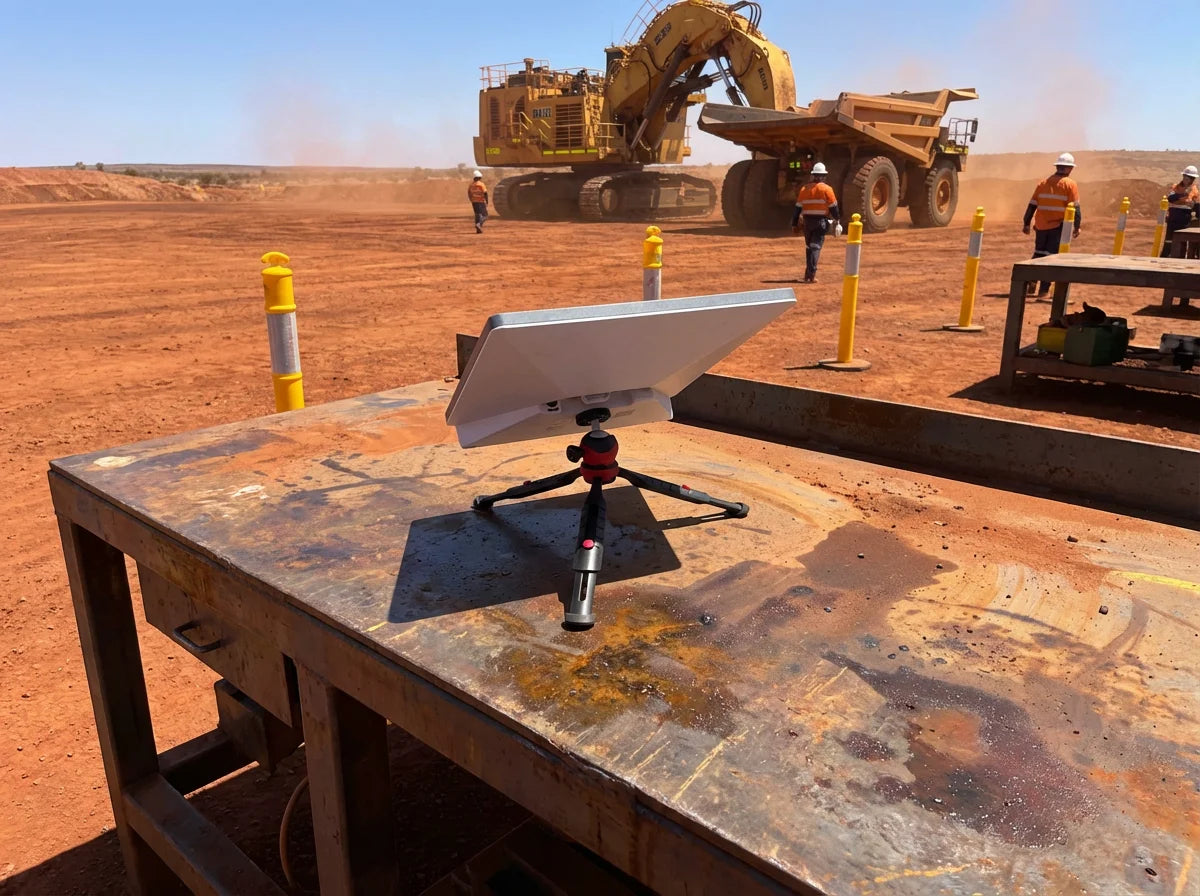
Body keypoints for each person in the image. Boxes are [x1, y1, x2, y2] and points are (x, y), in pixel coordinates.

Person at [1022, 153, 1081, 297]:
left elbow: (1032, 205)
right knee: (1051, 257)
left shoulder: (1042, 183)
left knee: (1038, 253)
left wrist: (1026, 223)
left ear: (1058, 167)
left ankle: (1031, 281)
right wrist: (1077, 226)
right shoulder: (1070, 184)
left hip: (1041, 226)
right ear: (1069, 168)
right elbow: (1075, 207)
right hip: (1058, 227)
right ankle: (1043, 290)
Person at [790, 162, 841, 283]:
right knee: (815, 247)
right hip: (821, 223)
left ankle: (808, 275)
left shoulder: (804, 189)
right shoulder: (827, 189)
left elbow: (797, 209)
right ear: (823, 176)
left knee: (809, 247)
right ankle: (811, 276)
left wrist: (794, 223)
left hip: (807, 222)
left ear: (813, 175)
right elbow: (834, 208)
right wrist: (837, 221)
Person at [1161, 164, 1200, 257]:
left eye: (1190, 177)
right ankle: (1165, 257)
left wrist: (1182, 199)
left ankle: (1180, 258)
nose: (1187, 179)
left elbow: (1195, 206)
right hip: (1173, 218)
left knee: (1181, 241)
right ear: (1183, 176)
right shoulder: (1175, 187)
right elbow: (1171, 198)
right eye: (1186, 176)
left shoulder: (1194, 191)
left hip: (1184, 219)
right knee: (1169, 240)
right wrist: (1184, 196)